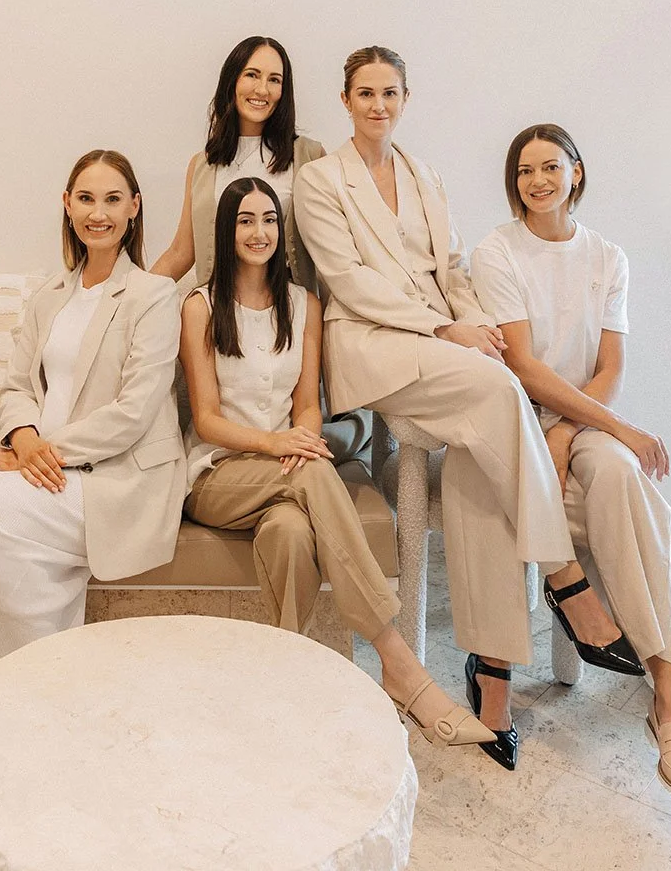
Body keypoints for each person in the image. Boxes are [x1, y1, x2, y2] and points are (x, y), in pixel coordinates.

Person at [293, 46, 644, 773]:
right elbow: (347, 281)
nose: (378, 105)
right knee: (500, 390)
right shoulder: (320, 179)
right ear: (345, 100)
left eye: (390, 93)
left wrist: (474, 323)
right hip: (371, 343)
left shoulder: (424, 175)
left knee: (482, 455)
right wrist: (443, 329)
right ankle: (565, 578)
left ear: (405, 99)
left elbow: (451, 269)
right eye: (365, 93)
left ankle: (491, 678)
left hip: (441, 340)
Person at [180, 174, 495, 749]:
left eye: (269, 220)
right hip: (218, 475)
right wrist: (280, 445)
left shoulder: (304, 305)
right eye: (245, 221)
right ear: (226, 231)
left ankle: (286, 680)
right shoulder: (200, 306)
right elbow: (206, 420)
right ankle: (398, 661)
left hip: (285, 477)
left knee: (290, 532)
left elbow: (307, 405)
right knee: (314, 472)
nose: (259, 232)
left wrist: (299, 437)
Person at [470, 123, 671, 801]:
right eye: (524, 171)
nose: (537, 181)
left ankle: (665, 685)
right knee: (629, 494)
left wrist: (575, 431)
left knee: (619, 476)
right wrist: (607, 428)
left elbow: (610, 368)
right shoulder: (497, 251)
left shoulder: (607, 256)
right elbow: (522, 366)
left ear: (576, 172)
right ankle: (670, 673)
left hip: (582, 421)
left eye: (550, 167)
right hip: (522, 419)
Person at [0, 150, 187, 738]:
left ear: (135, 207)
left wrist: (42, 451)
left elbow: (135, 411)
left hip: (113, 474)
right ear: (67, 206)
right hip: (39, 462)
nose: (99, 213)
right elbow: (17, 387)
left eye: (113, 199)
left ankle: (40, 683)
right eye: (86, 199)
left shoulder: (152, 295)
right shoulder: (50, 295)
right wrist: (23, 437)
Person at [153, 34, 368, 463]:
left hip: (287, 318)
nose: (262, 89)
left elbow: (334, 251)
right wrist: (127, 299)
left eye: (275, 79)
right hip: (225, 321)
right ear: (232, 81)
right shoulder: (203, 164)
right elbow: (182, 251)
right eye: (252, 75)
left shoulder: (309, 156)